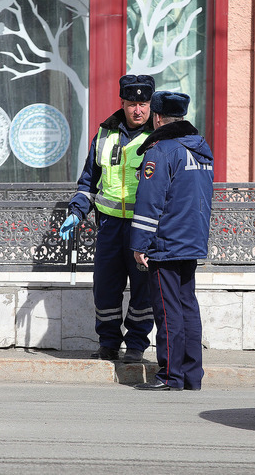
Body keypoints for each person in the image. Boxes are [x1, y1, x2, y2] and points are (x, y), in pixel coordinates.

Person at [59, 74, 156, 364]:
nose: (138, 110)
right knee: (106, 287)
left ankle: (136, 346)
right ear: (122, 104)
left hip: (144, 227)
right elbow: (88, 182)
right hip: (110, 226)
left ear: (151, 104)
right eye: (131, 104)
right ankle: (109, 343)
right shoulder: (104, 134)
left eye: (143, 103)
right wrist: (76, 211)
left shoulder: (158, 137)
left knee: (143, 290)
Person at [130, 90, 214, 391]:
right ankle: (192, 376)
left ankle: (170, 376)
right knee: (187, 306)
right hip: (191, 239)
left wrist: (140, 244)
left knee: (167, 310)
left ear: (156, 117)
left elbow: (150, 202)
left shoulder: (161, 151)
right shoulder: (200, 149)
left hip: (166, 242)